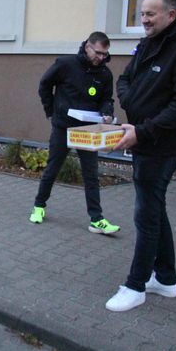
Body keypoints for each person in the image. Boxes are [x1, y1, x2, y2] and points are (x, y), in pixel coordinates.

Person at [106, 0, 176, 312]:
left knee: (145, 213)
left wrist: (143, 131)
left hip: (162, 144)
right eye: (142, 14)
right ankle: (165, 279)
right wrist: (130, 101)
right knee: (154, 208)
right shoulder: (147, 45)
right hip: (142, 138)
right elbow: (125, 79)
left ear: (170, 15)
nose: (144, 20)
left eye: (151, 14)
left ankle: (136, 286)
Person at [30, 31, 120, 235]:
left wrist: (107, 112)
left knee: (91, 174)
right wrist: (51, 111)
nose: (101, 58)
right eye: (98, 53)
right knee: (53, 168)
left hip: (87, 130)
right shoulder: (65, 64)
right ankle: (39, 206)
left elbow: (107, 99)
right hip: (63, 127)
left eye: (105, 54)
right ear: (87, 46)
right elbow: (45, 85)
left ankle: (96, 219)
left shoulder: (105, 73)